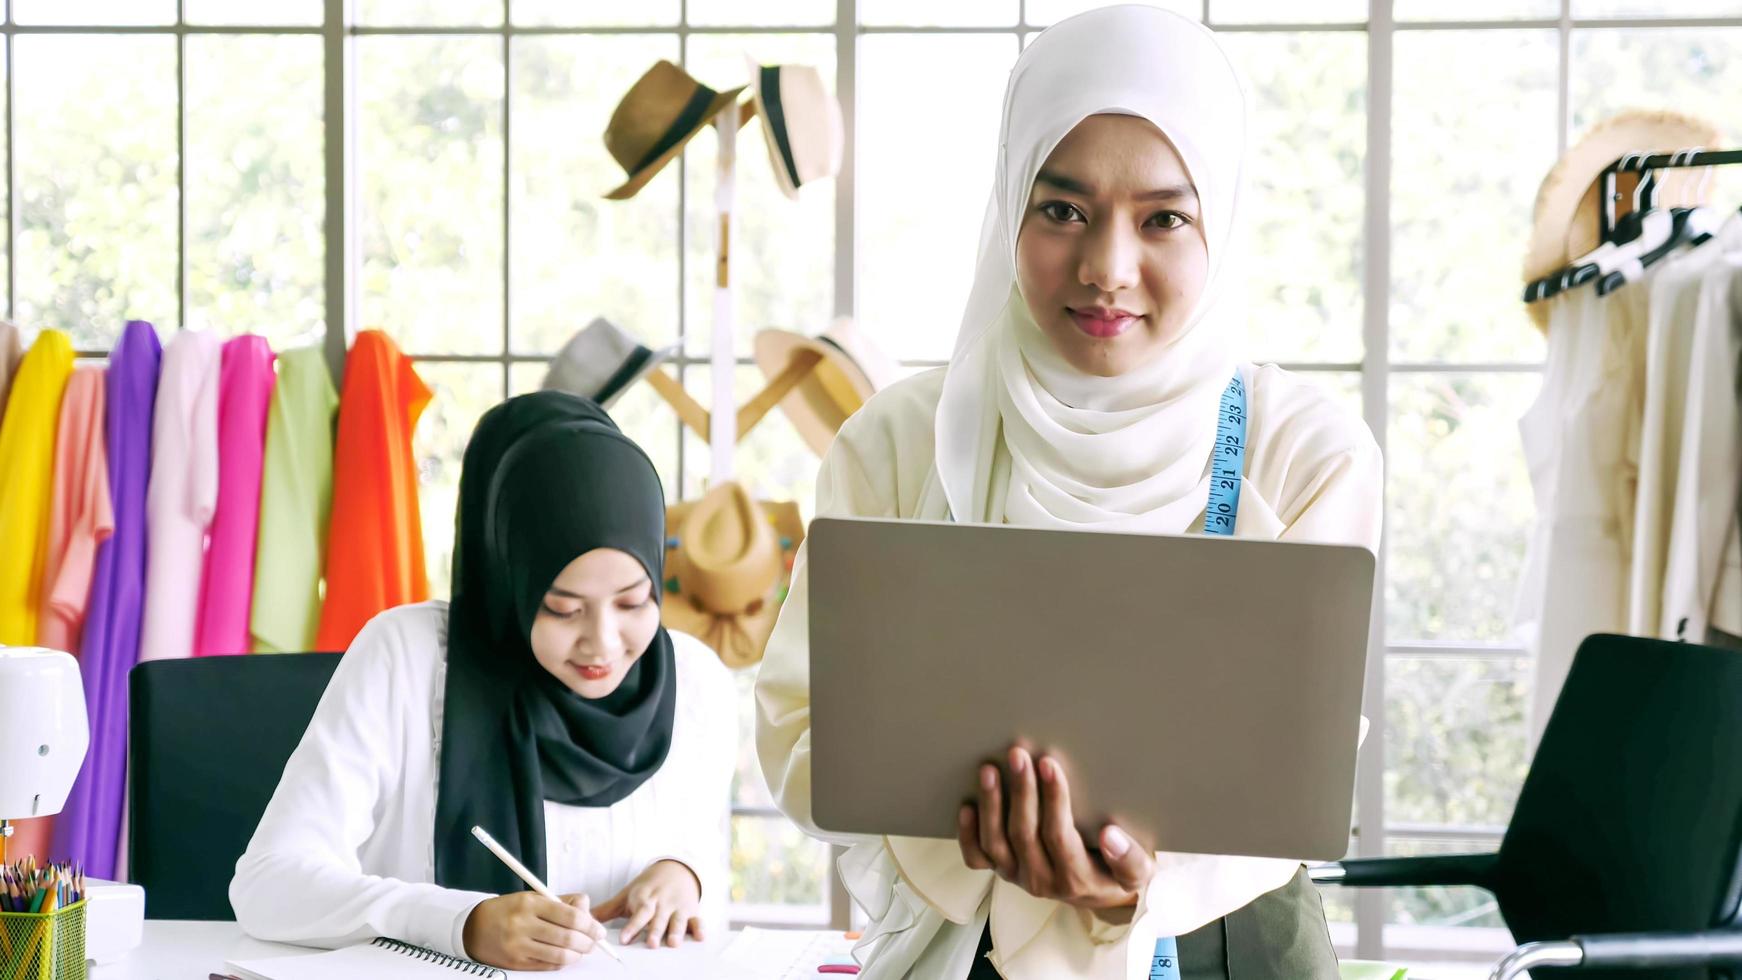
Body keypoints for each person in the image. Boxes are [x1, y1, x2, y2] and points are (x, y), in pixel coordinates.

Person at [755, 6, 1382, 978]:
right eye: (1061, 209)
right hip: (967, 936)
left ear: (1220, 216)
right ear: (1008, 201)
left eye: (1162, 217)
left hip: (1231, 939)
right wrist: (968, 847)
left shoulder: (1302, 451)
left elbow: (1300, 766)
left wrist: (1140, 884)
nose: (1105, 269)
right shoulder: (895, 441)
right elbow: (801, 724)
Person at [232, 392, 737, 971]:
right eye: (563, 608)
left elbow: (704, 866)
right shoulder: (409, 658)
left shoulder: (695, 681)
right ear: (510, 582)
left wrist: (685, 874)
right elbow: (267, 887)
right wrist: (461, 923)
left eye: (633, 601)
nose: (603, 642)